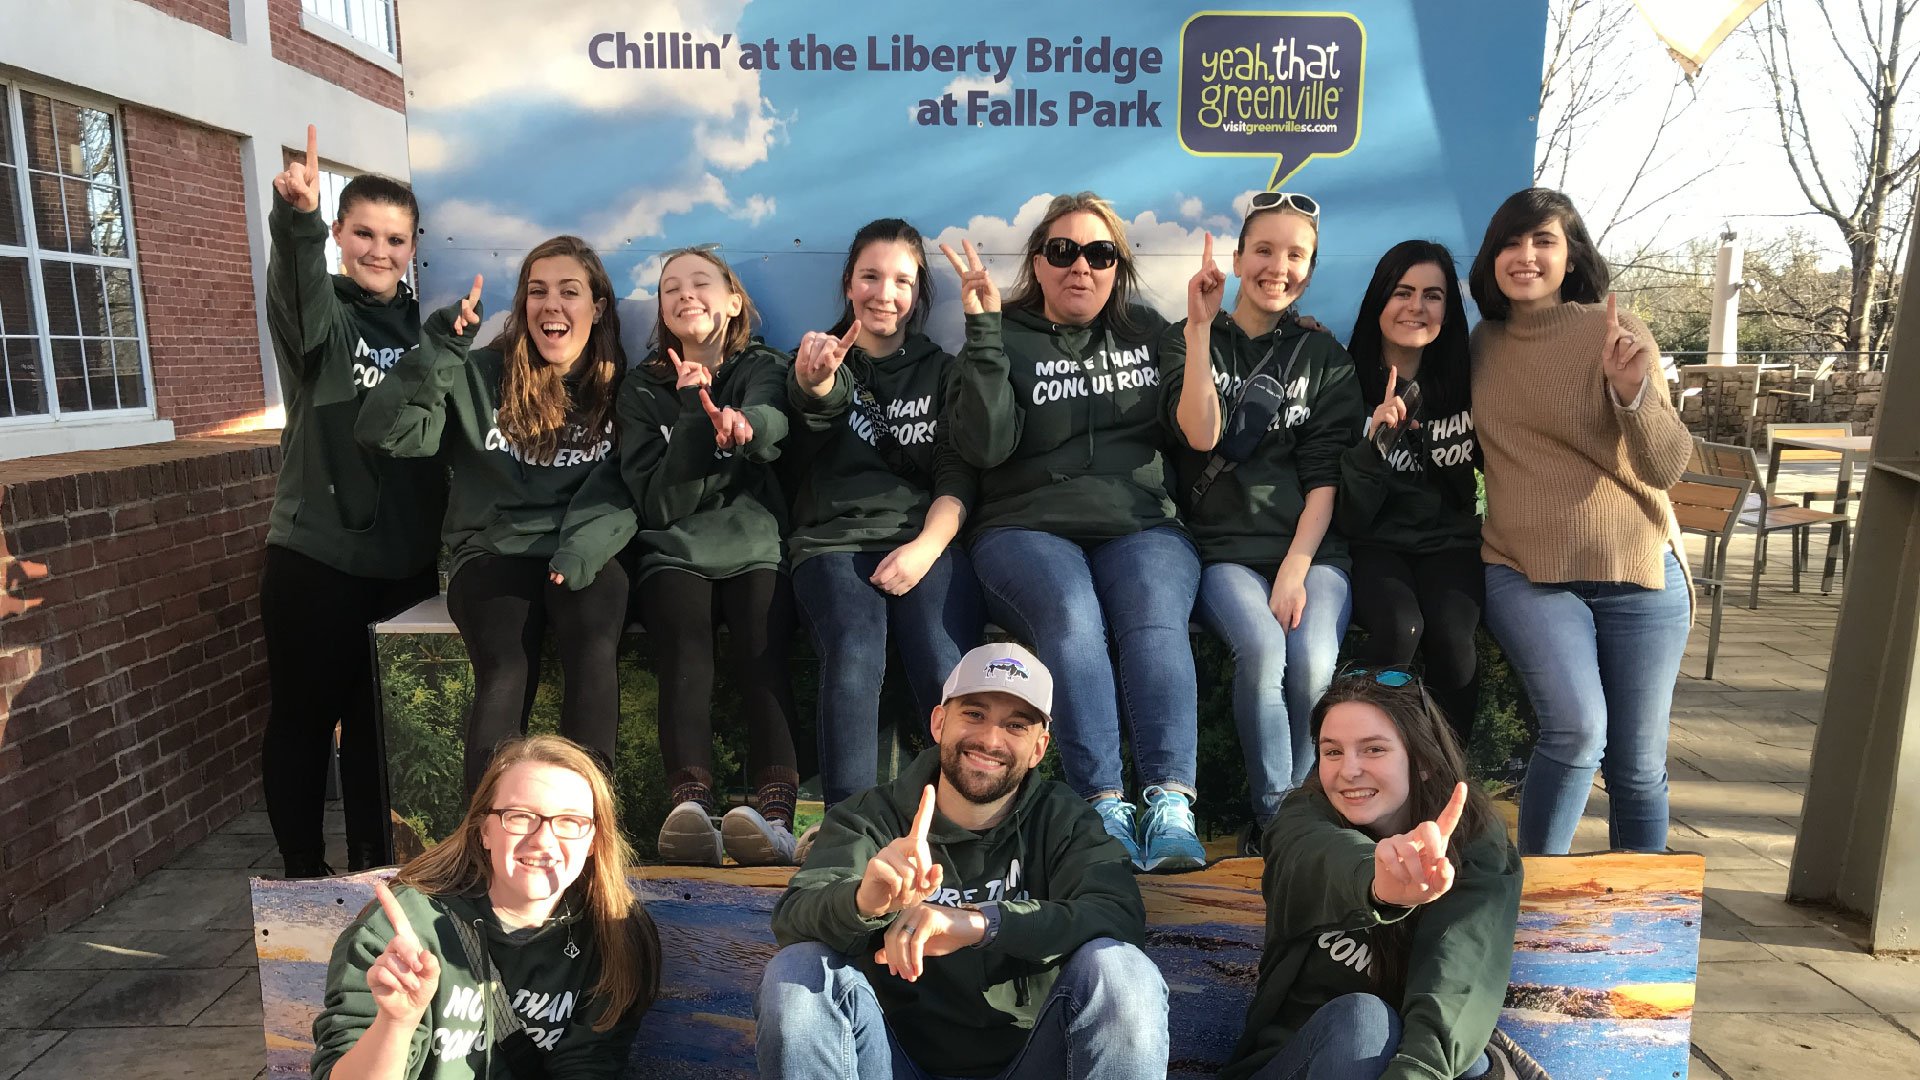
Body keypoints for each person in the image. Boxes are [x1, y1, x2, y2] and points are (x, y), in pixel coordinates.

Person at [755, 642, 1168, 1080]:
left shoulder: (1064, 820)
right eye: (974, 714)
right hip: (893, 1064)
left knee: (1125, 974)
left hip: (1031, 1061)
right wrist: (863, 903)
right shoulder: (869, 818)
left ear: (1038, 748)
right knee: (797, 972)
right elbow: (792, 921)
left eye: (1015, 725)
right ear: (939, 722)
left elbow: (1119, 915)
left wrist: (979, 924)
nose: (991, 740)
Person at [941, 192, 1204, 872]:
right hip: (1025, 525)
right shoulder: (1005, 330)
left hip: (1140, 525)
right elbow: (987, 445)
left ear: (1118, 266)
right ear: (1037, 262)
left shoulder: (1149, 332)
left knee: (1153, 617)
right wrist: (985, 333)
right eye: (1062, 252)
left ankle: (1171, 804)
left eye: (1099, 253)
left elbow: (1198, 430)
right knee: (1071, 613)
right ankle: (1103, 808)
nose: (1079, 267)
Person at [357, 236, 636, 796]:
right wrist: (439, 350)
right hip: (492, 551)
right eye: (537, 292)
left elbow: (632, 491)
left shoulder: (623, 387)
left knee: (592, 649)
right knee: (506, 667)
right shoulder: (479, 371)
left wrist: (583, 548)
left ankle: (585, 828)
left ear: (598, 305)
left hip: (584, 551)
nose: (550, 305)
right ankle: (485, 839)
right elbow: (385, 433)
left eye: (569, 291)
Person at [1467, 188, 1693, 855]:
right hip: (1525, 570)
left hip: (1639, 574)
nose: (1525, 256)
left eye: (1544, 242)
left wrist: (1634, 393)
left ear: (1573, 258)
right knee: (1576, 729)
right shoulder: (1481, 343)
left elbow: (1667, 465)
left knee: (1638, 767)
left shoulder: (1614, 332)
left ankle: (1636, 938)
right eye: (1511, 241)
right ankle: (1533, 902)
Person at [261, 126, 447, 877]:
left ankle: (375, 868)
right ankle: (304, 878)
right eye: (364, 233)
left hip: (406, 565)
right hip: (317, 557)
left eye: (395, 239)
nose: (379, 250)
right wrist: (297, 221)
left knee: (379, 732)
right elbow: (299, 297)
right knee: (306, 721)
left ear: (413, 246)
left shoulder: (427, 328)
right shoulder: (322, 316)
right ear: (339, 234)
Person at [1167, 193, 1363, 849]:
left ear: (1309, 268)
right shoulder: (1194, 336)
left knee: (1311, 664)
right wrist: (1199, 330)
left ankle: (1302, 814)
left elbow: (1325, 477)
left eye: (1295, 255)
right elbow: (1199, 437)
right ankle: (1279, 813)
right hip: (1224, 551)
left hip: (1311, 550)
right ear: (1239, 257)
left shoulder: (1324, 358)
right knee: (1260, 650)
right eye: (1264, 251)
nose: (1278, 267)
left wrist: (1296, 570)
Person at [1221, 671, 1523, 1080]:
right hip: (1290, 1063)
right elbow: (1319, 855)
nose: (1349, 771)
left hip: (1404, 1062)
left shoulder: (1475, 844)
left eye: (1374, 750)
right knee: (1365, 1021)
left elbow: (1456, 975)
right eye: (1332, 752)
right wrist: (1380, 884)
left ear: (1424, 763)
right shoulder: (1302, 819)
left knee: (1466, 1064)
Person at [311, 734, 662, 1080]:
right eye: (520, 816)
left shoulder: (613, 934)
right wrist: (396, 1022)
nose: (543, 841)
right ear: (485, 831)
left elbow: (589, 1065)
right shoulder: (402, 929)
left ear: (592, 841)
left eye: (570, 821)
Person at [786, 219, 984, 816]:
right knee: (854, 651)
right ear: (849, 283)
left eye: (901, 280)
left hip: (925, 541)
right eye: (870, 276)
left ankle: (966, 819)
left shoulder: (940, 368)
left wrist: (926, 547)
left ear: (919, 290)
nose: (884, 293)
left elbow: (958, 475)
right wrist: (812, 388)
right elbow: (793, 437)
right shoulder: (816, 358)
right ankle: (850, 827)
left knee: (943, 666)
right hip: (833, 543)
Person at [617, 247, 802, 867]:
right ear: (663, 311)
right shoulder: (643, 386)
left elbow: (773, 417)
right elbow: (660, 502)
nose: (685, 294)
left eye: (701, 283)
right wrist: (697, 418)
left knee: (762, 657)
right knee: (685, 658)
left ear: (733, 301)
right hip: (675, 549)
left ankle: (774, 816)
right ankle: (689, 808)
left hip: (753, 543)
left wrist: (745, 425)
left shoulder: (760, 365)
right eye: (671, 288)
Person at [1337, 241, 1484, 747]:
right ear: (1380, 297)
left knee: (1452, 638)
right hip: (1373, 543)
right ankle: (1367, 759)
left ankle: (1443, 775)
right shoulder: (1343, 378)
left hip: (1449, 544)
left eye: (1433, 295)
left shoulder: (1468, 379)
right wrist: (1376, 446)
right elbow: (1350, 514)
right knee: (1402, 628)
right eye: (1402, 291)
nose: (1416, 307)